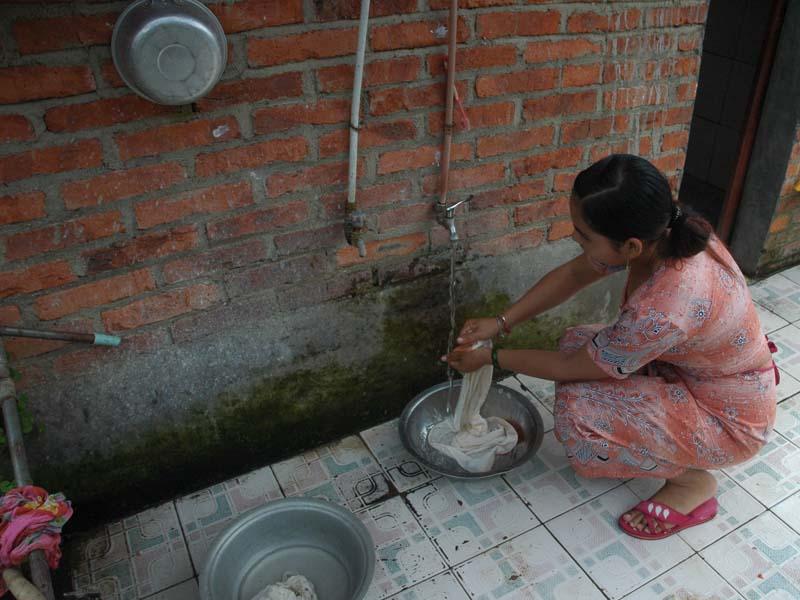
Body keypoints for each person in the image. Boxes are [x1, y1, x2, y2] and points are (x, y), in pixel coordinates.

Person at [443, 154, 778, 540]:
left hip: (731, 421)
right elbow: (574, 274)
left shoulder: (666, 306)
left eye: (583, 235)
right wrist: (502, 322)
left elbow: (572, 367)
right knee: (576, 341)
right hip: (700, 372)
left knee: (579, 419)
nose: (575, 239)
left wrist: (490, 356)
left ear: (631, 246)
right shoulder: (662, 232)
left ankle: (691, 485)